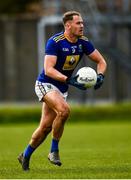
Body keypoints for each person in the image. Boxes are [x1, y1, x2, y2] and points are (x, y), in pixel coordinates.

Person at [18, 11, 107, 171]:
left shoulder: (83, 42)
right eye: (78, 23)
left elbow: (101, 61)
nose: (82, 26)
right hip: (45, 84)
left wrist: (100, 76)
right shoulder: (55, 41)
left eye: (82, 23)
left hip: (61, 88)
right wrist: (69, 80)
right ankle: (54, 151)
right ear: (68, 25)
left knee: (45, 128)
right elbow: (48, 69)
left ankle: (25, 154)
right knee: (64, 110)